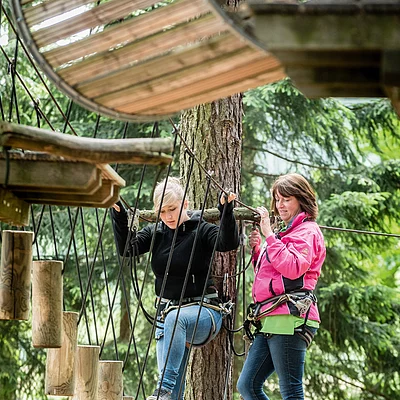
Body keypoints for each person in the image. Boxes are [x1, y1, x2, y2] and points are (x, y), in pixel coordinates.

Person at [111, 177, 239, 400]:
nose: (168, 216)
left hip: (204, 312)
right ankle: (167, 390)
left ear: (186, 204)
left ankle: (164, 387)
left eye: (172, 209)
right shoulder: (156, 232)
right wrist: (119, 214)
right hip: (167, 315)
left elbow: (227, 243)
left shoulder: (202, 230)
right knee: (172, 397)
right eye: (162, 212)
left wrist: (226, 210)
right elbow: (128, 248)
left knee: (174, 323)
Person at [237, 173, 326, 400]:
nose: (280, 205)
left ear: (301, 200)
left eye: (286, 199)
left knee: (291, 392)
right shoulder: (286, 232)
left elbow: (293, 268)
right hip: (271, 317)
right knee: (248, 385)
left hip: (291, 318)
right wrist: (259, 251)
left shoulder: (308, 232)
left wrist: (268, 235)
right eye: (277, 199)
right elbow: (274, 275)